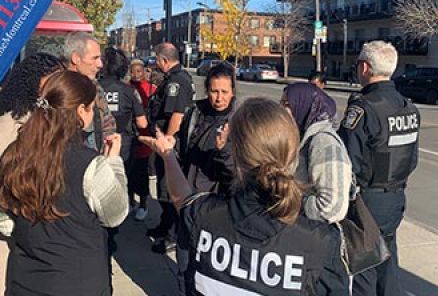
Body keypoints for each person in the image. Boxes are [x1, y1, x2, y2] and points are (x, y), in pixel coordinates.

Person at [140, 98, 340, 296]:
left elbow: (181, 199)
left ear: (235, 153)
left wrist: (168, 155)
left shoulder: (202, 216)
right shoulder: (320, 242)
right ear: (292, 153)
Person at [0, 71, 128, 296]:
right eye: (91, 108)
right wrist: (113, 162)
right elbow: (115, 215)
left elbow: (3, 223)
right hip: (80, 283)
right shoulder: (91, 165)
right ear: (80, 111)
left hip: (25, 281)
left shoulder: (14, 155)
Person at [0, 53, 64, 296]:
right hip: (6, 229)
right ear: (34, 82)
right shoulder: (9, 123)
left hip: (29, 232)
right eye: (51, 80)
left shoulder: (42, 121)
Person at [338, 40, 420, 296]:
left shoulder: (364, 109)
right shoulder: (409, 108)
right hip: (396, 198)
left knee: (364, 270)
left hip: (367, 201)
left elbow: (347, 161)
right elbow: (412, 158)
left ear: (364, 67)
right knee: (388, 265)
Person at [282, 83, 352, 296]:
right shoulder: (301, 137)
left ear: (304, 105)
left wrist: (291, 199)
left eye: (286, 104)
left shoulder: (323, 142)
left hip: (322, 250)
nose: (281, 109)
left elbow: (333, 207)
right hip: (305, 241)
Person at [147, 42, 194, 254]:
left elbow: (176, 115)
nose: (156, 65)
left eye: (157, 60)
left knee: (169, 190)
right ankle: (165, 226)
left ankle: (173, 235)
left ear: (164, 60)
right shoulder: (175, 78)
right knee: (164, 190)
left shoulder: (177, 81)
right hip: (166, 142)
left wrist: (166, 140)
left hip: (170, 145)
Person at [98, 48, 149, 214]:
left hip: (98, 142)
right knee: (121, 178)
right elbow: (142, 123)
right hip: (123, 144)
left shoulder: (94, 88)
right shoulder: (129, 91)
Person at [177, 62, 236, 196]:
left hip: (218, 199)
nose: (219, 98)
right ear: (207, 91)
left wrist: (224, 149)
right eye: (214, 91)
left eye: (224, 92)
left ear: (232, 92)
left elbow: (239, 172)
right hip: (188, 191)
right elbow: (181, 147)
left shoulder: (239, 121)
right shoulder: (194, 113)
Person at [65, 32, 116, 151]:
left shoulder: (95, 87)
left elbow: (107, 119)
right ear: (76, 58)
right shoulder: (59, 88)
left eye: (100, 58)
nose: (100, 64)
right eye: (95, 58)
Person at [129, 59, 158, 221]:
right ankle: (131, 200)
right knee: (129, 172)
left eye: (139, 71)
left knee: (142, 173)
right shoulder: (127, 88)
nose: (136, 74)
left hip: (145, 136)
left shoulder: (151, 89)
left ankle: (143, 204)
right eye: (133, 71)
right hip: (130, 137)